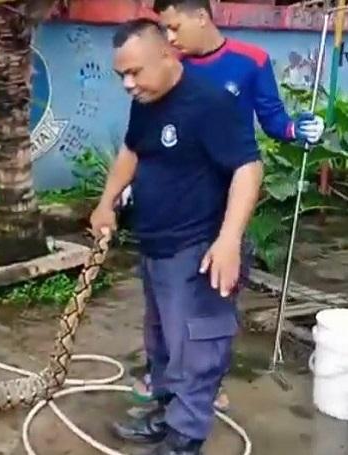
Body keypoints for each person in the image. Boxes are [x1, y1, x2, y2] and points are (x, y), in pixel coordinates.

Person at [125, 0, 327, 412]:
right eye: (164, 30)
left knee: (209, 304)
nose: (169, 38)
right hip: (172, 200)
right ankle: (161, 375)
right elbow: (147, 131)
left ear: (201, 16)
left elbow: (273, 121)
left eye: (174, 27)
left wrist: (297, 129)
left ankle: (207, 384)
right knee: (162, 304)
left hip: (223, 199)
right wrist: (133, 180)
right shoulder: (169, 63)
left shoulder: (250, 61)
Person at [93, 18, 271, 454]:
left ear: (166, 55)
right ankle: (166, 414)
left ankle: (185, 438)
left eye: (135, 72)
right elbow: (132, 150)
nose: (128, 84)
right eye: (121, 75)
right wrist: (105, 202)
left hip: (199, 249)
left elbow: (248, 168)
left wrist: (228, 241)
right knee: (162, 341)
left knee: (196, 348)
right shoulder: (146, 102)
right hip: (157, 245)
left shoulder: (210, 103)